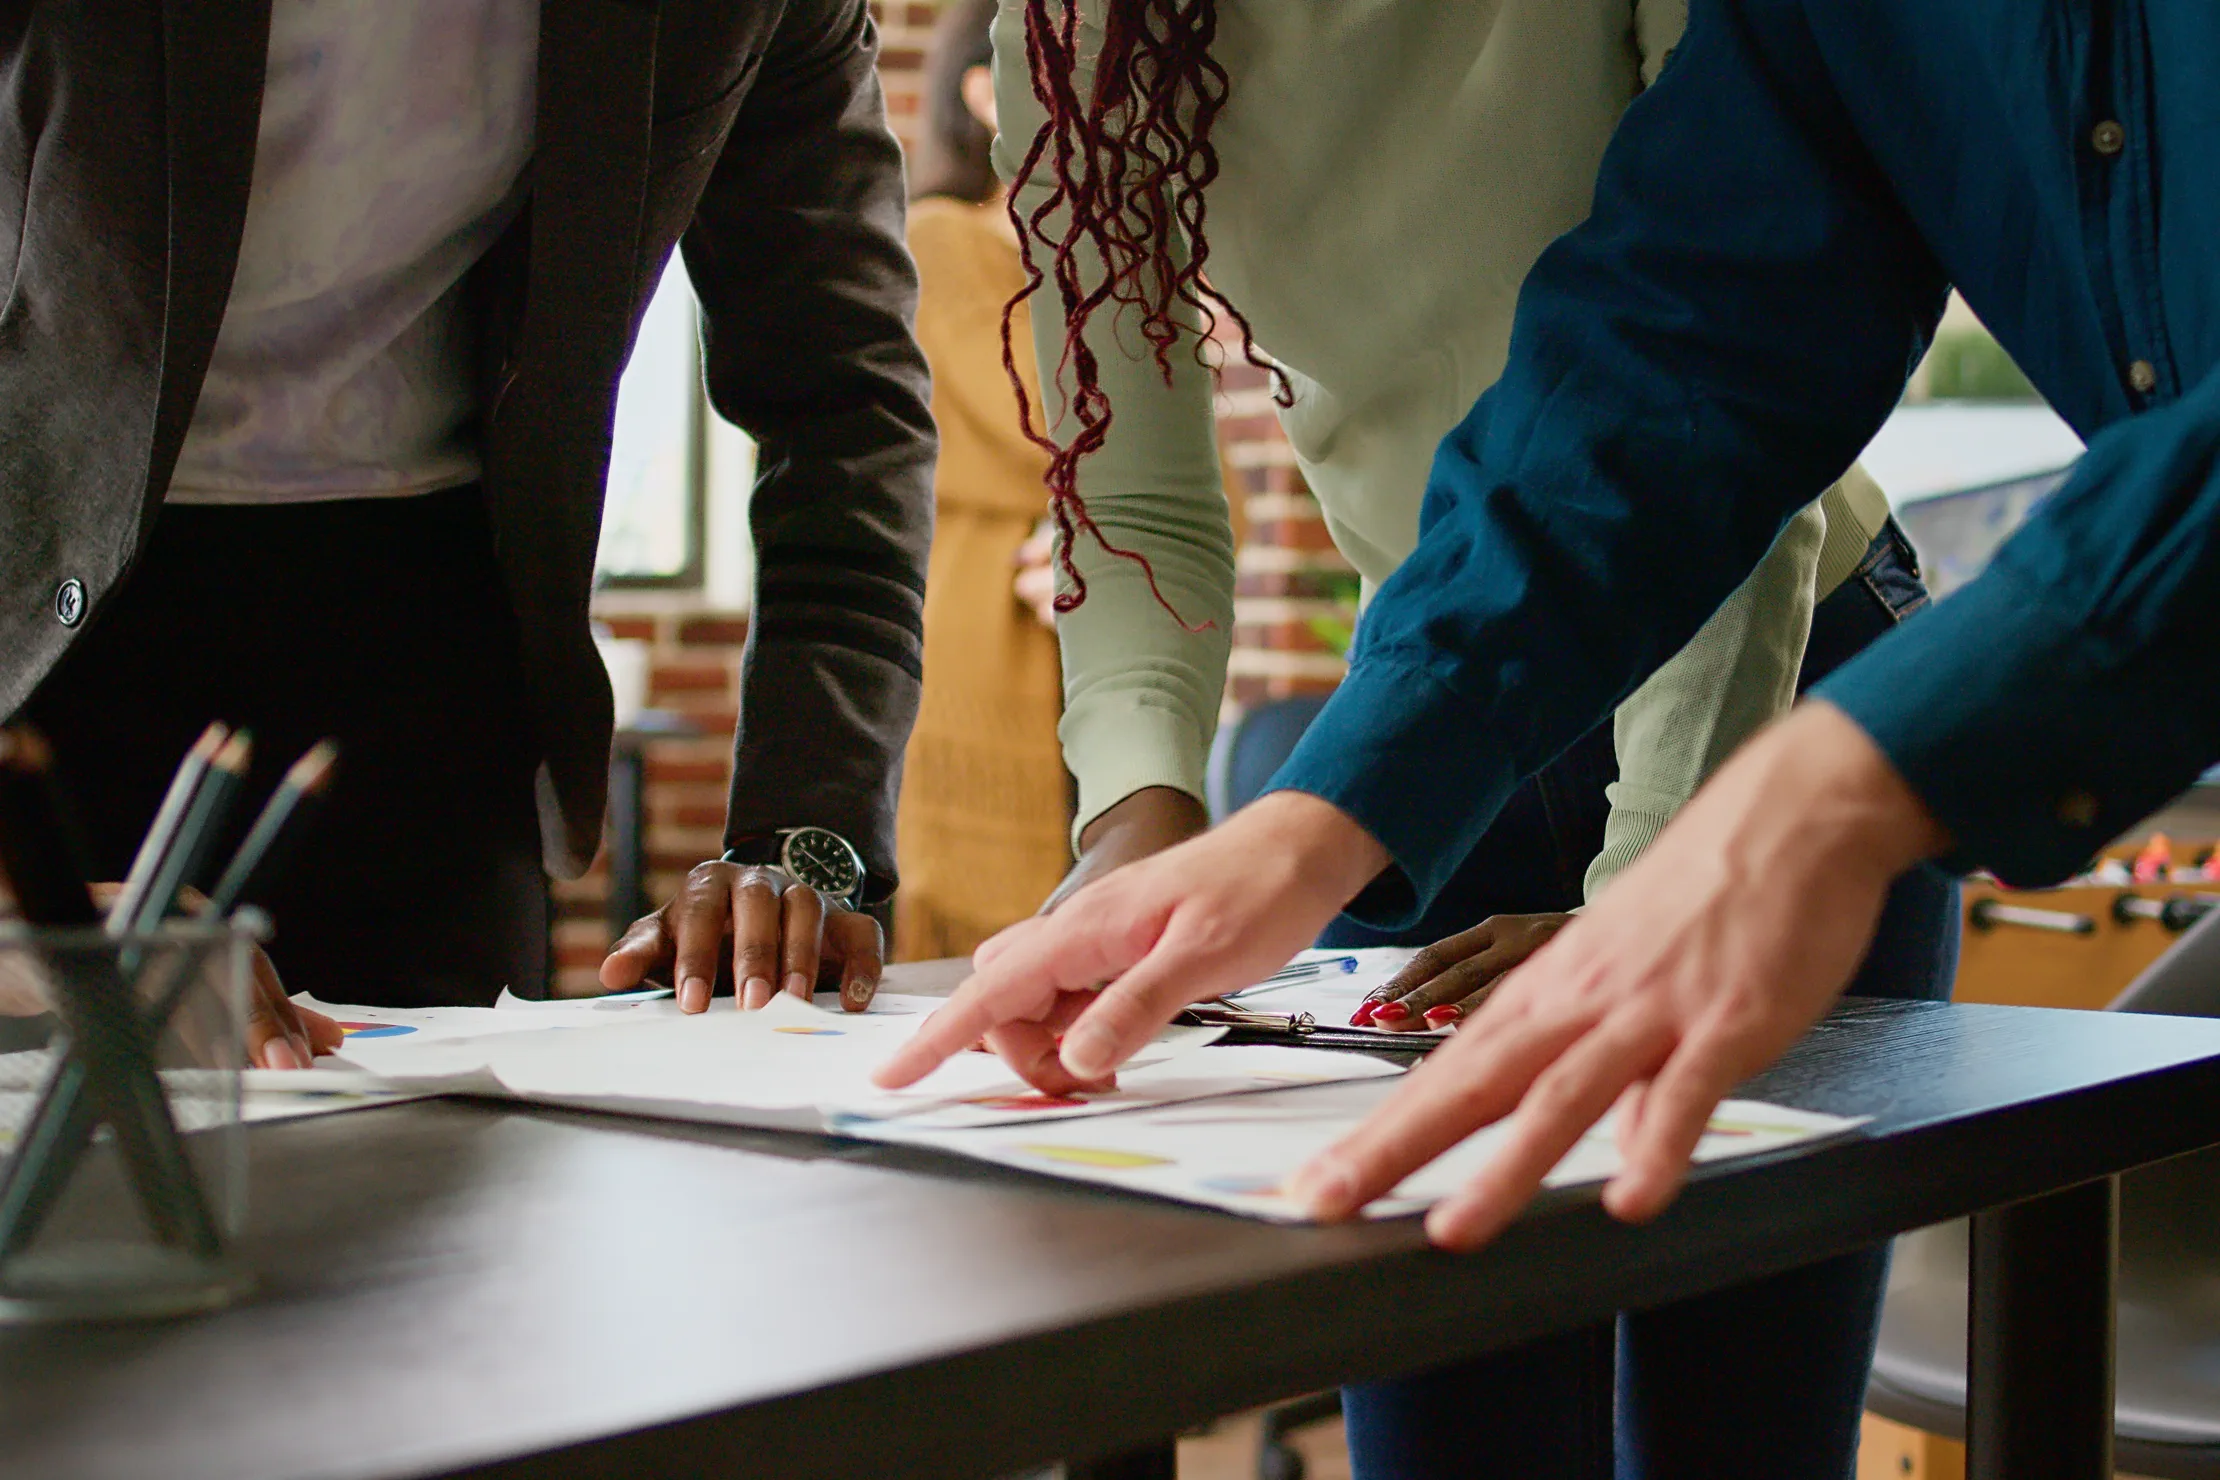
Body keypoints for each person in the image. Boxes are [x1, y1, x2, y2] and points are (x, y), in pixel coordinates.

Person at [884, 0, 2220, 1471]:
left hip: (1783, 681)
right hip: (1460, 699)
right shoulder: (1076, 42)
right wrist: (1245, 818)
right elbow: (1687, 364)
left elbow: (1736, 419)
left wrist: (1691, 855)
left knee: (1734, 1431)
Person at [2, 1, 933, 1056]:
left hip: (432, 667)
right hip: (35, 646)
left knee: (439, 1178)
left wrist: (802, 844)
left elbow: (846, 406)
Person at [892, 0, 1071, 961]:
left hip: (1090, 642)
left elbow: (1208, 488)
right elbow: (1044, 416)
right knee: (972, 948)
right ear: (982, 92)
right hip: (971, 631)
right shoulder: (940, 241)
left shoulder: (1096, 269)